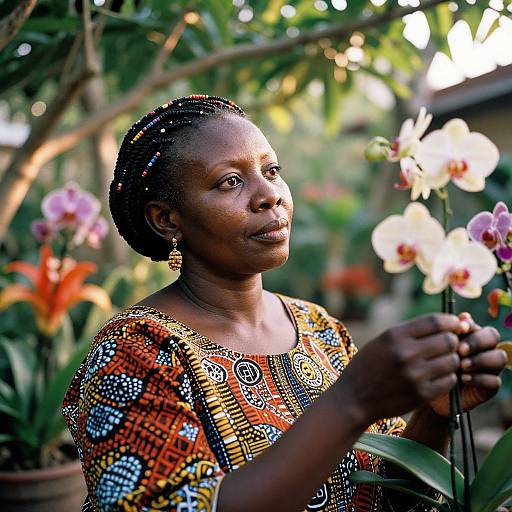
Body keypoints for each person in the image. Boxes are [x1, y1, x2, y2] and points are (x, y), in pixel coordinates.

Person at [62, 95, 507, 512]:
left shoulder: (320, 328)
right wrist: (350, 402)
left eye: (271, 171)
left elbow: (388, 498)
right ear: (167, 219)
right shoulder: (135, 353)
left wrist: (431, 414)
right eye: (230, 181)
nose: (269, 195)